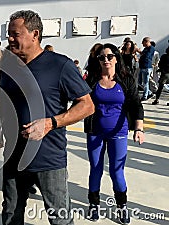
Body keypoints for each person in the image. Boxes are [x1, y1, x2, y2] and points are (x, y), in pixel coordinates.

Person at [0, 10, 94, 225]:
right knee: (11, 214)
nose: (9, 39)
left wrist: (51, 123)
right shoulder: (8, 66)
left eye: (15, 34)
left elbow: (87, 105)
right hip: (14, 157)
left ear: (34, 34)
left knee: (60, 219)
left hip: (49, 159)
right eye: (8, 33)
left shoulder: (60, 65)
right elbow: (0, 99)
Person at [84, 43, 144, 224]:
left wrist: (139, 129)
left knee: (117, 171)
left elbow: (136, 105)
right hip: (95, 132)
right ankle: (94, 205)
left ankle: (122, 206)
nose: (106, 60)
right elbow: (80, 100)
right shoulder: (92, 80)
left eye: (110, 56)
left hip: (119, 132)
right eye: (102, 57)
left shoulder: (126, 79)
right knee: (95, 169)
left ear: (116, 58)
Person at [136, 37, 155, 101]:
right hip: (142, 67)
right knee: (140, 82)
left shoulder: (151, 48)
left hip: (147, 67)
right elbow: (142, 54)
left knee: (145, 82)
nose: (142, 44)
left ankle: (145, 96)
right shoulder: (145, 49)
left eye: (143, 42)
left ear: (147, 42)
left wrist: (140, 52)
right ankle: (149, 93)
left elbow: (146, 56)